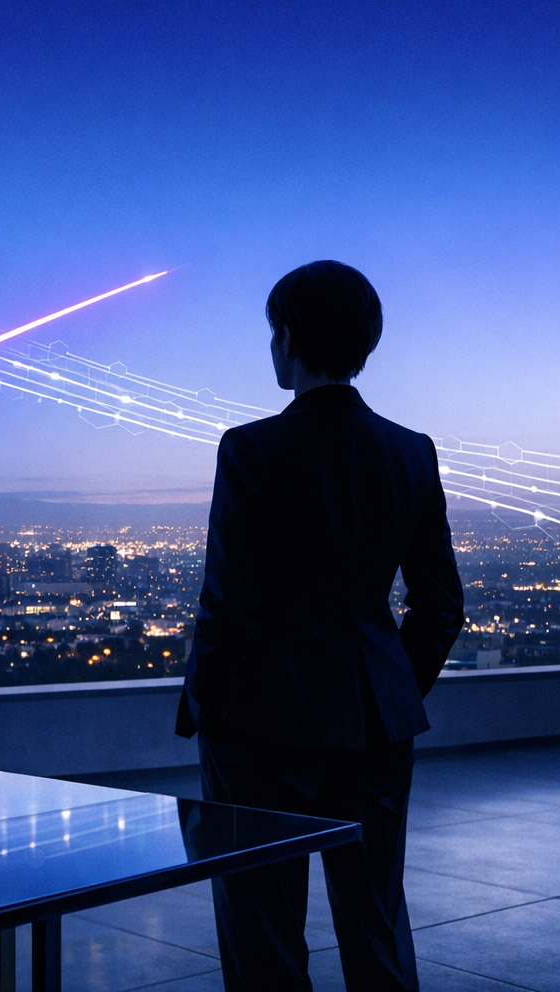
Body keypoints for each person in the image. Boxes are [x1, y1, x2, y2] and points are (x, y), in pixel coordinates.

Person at [176, 260, 464, 991]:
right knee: (376, 920)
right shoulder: (411, 450)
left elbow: (228, 603)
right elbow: (440, 605)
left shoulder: (251, 449)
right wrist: (392, 687)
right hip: (376, 721)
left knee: (262, 928)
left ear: (288, 335)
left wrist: (207, 704)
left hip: (262, 725)